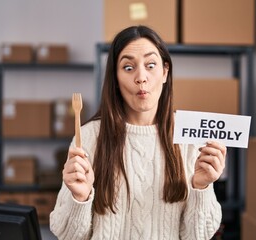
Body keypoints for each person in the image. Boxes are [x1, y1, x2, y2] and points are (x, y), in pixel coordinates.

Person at [50, 25, 227, 240]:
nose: (141, 77)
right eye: (128, 67)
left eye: (151, 65)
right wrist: (79, 198)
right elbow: (67, 235)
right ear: (115, 78)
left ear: (165, 72)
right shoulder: (87, 137)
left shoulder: (189, 137)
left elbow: (198, 236)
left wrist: (202, 186)